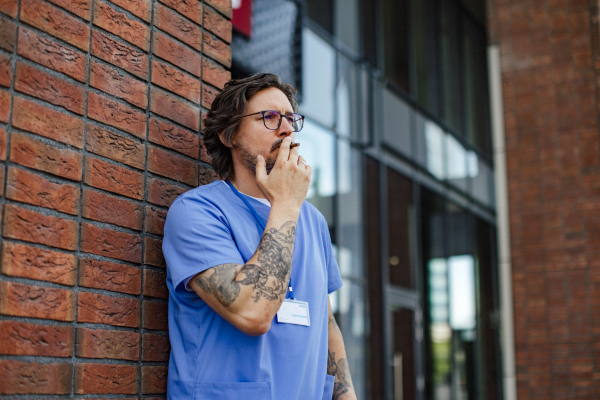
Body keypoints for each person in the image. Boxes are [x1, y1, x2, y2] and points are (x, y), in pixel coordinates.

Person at [163, 73, 357, 400]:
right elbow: (253, 312)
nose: (287, 129)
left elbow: (327, 323)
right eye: (269, 117)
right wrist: (285, 203)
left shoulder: (313, 220)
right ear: (229, 134)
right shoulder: (196, 212)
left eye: (291, 118)